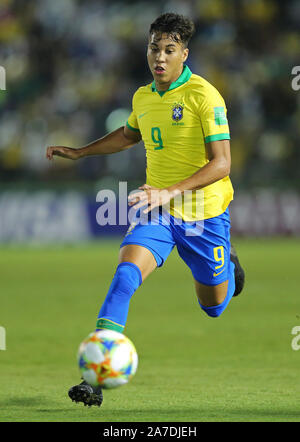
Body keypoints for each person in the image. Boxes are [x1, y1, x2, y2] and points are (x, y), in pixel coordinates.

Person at [46, 13, 245, 408]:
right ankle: (95, 377)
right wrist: (81, 151)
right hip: (158, 212)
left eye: (170, 50)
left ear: (184, 54)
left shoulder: (204, 96)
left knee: (214, 308)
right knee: (124, 277)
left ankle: (230, 263)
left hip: (204, 218)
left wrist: (168, 191)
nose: (160, 57)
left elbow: (222, 164)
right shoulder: (143, 96)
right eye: (155, 47)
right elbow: (128, 134)